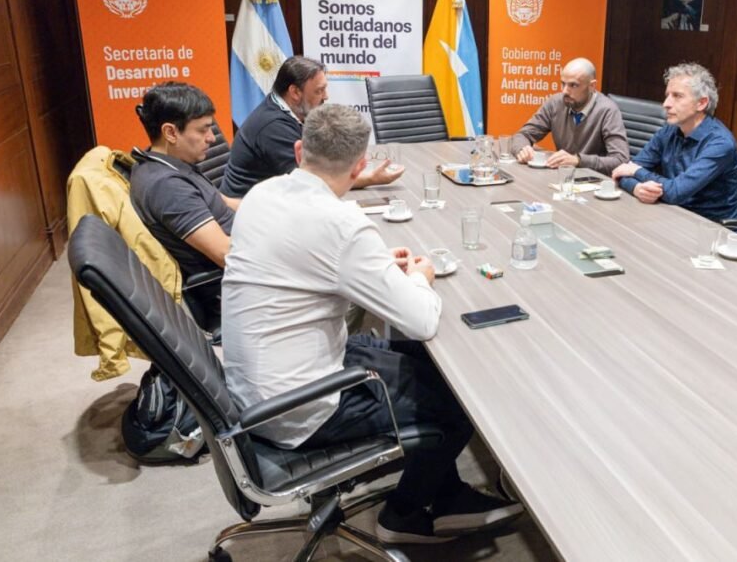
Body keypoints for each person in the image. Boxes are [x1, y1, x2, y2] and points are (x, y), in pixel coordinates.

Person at [222, 103, 523, 544]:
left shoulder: (263, 194)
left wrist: (374, 267)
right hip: (302, 406)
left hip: (261, 386)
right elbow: (420, 319)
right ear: (361, 164)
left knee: (430, 365)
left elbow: (306, 260)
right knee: (463, 395)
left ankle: (447, 496)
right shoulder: (342, 223)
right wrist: (420, 278)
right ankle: (404, 515)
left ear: (300, 149)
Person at [130, 82, 238, 326]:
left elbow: (226, 203)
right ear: (170, 132)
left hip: (248, 246)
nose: (212, 138)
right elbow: (227, 254)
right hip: (235, 286)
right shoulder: (168, 187)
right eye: (203, 130)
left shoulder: (170, 163)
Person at [220, 56, 402, 197]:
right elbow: (313, 181)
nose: (326, 96)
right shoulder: (273, 127)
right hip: (251, 215)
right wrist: (371, 178)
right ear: (295, 92)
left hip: (277, 199)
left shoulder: (287, 111)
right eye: (319, 90)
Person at [610, 62, 737, 221]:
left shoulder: (720, 144)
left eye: (677, 96)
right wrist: (636, 187)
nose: (666, 104)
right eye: (667, 95)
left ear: (701, 103)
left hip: (711, 230)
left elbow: (676, 192)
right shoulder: (670, 129)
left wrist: (636, 172)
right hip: (672, 216)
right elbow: (626, 170)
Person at [510, 57, 629, 175]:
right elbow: (523, 135)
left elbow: (620, 160)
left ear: (592, 86)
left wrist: (578, 160)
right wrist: (522, 149)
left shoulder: (608, 110)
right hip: (562, 179)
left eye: (573, 85)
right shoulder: (555, 103)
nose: (565, 91)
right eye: (563, 84)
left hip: (593, 182)